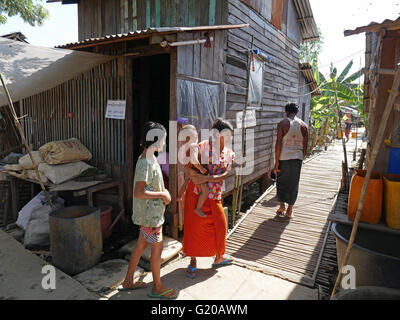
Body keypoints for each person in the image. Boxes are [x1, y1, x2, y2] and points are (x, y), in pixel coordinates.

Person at [119, 122, 177, 300]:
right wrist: (163, 194)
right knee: (157, 250)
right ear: (156, 140)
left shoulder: (149, 158)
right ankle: (157, 287)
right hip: (150, 218)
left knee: (141, 244)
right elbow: (138, 192)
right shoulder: (146, 163)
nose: (164, 143)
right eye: (164, 140)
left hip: (148, 216)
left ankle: (128, 281)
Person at [182, 118, 235, 279]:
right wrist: (192, 174)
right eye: (226, 135)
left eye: (230, 135)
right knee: (193, 229)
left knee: (220, 226)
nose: (229, 138)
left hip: (214, 195)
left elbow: (225, 174)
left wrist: (206, 178)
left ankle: (219, 257)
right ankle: (192, 262)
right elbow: (187, 165)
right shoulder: (201, 147)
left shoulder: (229, 153)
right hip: (196, 194)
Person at [273, 103, 308, 220]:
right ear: (297, 112)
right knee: (294, 183)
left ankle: (282, 206)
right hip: (297, 158)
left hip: (284, 157)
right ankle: (290, 210)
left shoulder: (282, 124)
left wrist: (276, 161)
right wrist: (300, 158)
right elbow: (305, 146)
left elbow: (278, 144)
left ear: (286, 111)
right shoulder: (304, 126)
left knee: (281, 182)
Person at [177, 124, 209, 218]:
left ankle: (179, 196)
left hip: (190, 169)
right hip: (196, 172)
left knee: (186, 182)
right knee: (205, 191)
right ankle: (198, 208)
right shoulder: (194, 146)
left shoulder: (185, 148)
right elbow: (194, 160)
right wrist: (201, 168)